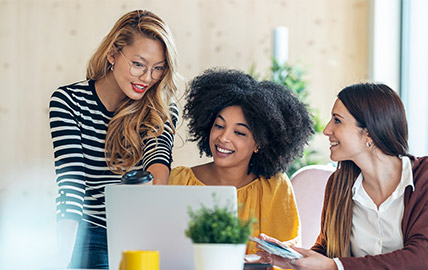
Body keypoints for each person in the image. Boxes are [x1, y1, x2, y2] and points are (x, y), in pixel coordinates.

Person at [257, 83, 428, 270]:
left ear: (369, 133)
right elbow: (329, 251)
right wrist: (294, 259)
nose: (327, 130)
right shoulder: (339, 184)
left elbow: (423, 258)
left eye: (337, 121)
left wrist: (335, 266)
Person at [48, 10, 180, 269]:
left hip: (142, 230)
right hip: (90, 230)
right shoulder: (69, 102)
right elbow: (72, 188)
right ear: (112, 54)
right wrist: (60, 260)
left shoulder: (161, 107)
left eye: (158, 69)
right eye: (138, 64)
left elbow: (158, 160)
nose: (147, 78)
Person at [168, 68, 314, 255]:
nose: (223, 138)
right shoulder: (179, 180)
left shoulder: (274, 186)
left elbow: (286, 260)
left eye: (239, 132)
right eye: (219, 126)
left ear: (259, 144)